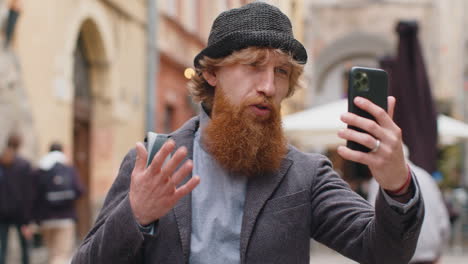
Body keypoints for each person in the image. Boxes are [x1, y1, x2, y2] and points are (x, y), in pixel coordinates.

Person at [72, 2, 424, 263]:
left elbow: (384, 253)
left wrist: (396, 185)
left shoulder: (306, 174)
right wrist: (135, 213)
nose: (269, 86)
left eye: (282, 72)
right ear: (212, 74)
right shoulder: (154, 162)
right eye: (254, 67)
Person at [367, 145, 450, 264]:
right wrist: (439, 252)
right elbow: (443, 222)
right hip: (428, 256)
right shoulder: (426, 177)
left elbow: (371, 218)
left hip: (396, 257)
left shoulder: (380, 179)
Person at [34, 142, 84, 264]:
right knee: (61, 255)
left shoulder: (42, 170)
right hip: (65, 219)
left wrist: (34, 219)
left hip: (46, 219)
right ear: (62, 151)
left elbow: (35, 195)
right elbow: (80, 190)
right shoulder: (68, 169)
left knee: (52, 253)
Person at [0, 132, 33, 264]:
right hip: (21, 213)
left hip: (1, 212)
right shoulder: (24, 164)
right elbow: (29, 192)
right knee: (25, 247)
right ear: (20, 145)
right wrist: (28, 217)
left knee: (2, 247)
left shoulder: (1, 161)